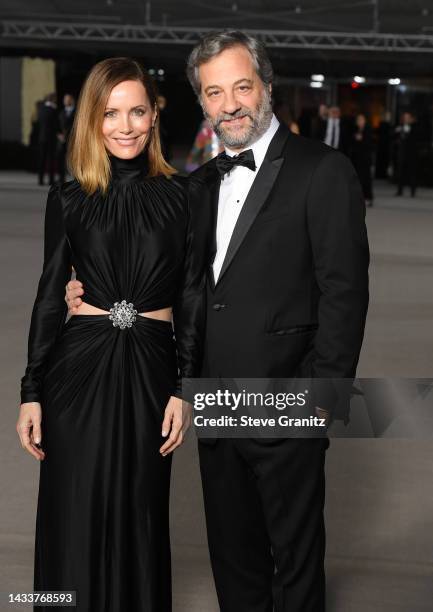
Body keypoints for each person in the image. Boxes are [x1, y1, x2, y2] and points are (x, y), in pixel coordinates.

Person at [66, 31, 370, 612]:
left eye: (241, 86)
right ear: (201, 103)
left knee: (296, 566)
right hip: (213, 402)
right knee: (235, 563)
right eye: (213, 92)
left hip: (288, 403)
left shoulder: (323, 170)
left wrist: (319, 405)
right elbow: (165, 277)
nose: (229, 103)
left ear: (266, 86)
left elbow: (345, 293)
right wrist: (89, 294)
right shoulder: (196, 185)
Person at [16, 57, 208, 611]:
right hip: (75, 375)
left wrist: (185, 386)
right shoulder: (68, 198)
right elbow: (51, 295)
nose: (125, 126)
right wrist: (31, 391)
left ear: (154, 116)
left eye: (137, 112)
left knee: (139, 512)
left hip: (151, 372)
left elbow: (193, 295)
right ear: (91, 122)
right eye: (110, 113)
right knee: (72, 510)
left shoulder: (186, 197)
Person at [350, 113, 374, 207]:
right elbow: (351, 143)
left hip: (365, 158)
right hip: (356, 158)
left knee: (366, 178)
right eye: (358, 120)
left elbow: (369, 143)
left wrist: (361, 139)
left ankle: (368, 198)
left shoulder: (368, 130)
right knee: (357, 179)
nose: (359, 122)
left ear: (364, 121)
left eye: (361, 120)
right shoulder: (355, 130)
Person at [37, 93, 61, 186]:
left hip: (42, 138)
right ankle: (51, 180)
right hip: (51, 138)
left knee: (42, 159)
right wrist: (60, 133)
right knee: (51, 159)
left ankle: (40, 180)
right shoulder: (53, 110)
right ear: (52, 99)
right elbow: (56, 124)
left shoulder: (41, 109)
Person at [394, 111, 419, 197]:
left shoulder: (415, 127)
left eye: (408, 117)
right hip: (402, 153)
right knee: (401, 173)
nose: (406, 119)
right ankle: (399, 190)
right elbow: (395, 137)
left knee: (412, 173)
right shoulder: (400, 127)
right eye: (405, 117)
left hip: (411, 154)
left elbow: (416, 139)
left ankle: (413, 191)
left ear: (411, 118)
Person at [57, 93, 76, 183]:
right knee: (61, 160)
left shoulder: (78, 112)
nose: (65, 101)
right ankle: (61, 179)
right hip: (62, 141)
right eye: (64, 100)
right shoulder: (61, 112)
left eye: (67, 99)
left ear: (72, 100)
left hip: (74, 140)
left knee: (75, 160)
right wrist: (59, 135)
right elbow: (57, 126)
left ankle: (77, 180)